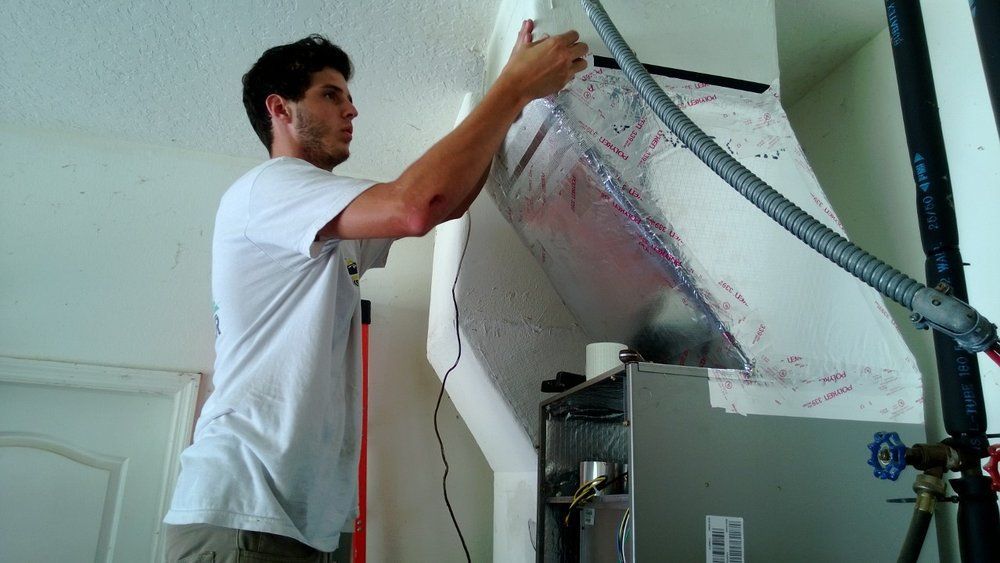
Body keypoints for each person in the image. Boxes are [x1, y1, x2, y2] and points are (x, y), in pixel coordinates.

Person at [162, 19, 588, 562]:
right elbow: (416, 206)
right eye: (331, 94)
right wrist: (511, 90)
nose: (352, 110)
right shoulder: (270, 188)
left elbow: (445, 202)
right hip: (244, 507)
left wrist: (511, 108)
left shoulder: (325, 223)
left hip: (303, 519)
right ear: (279, 109)